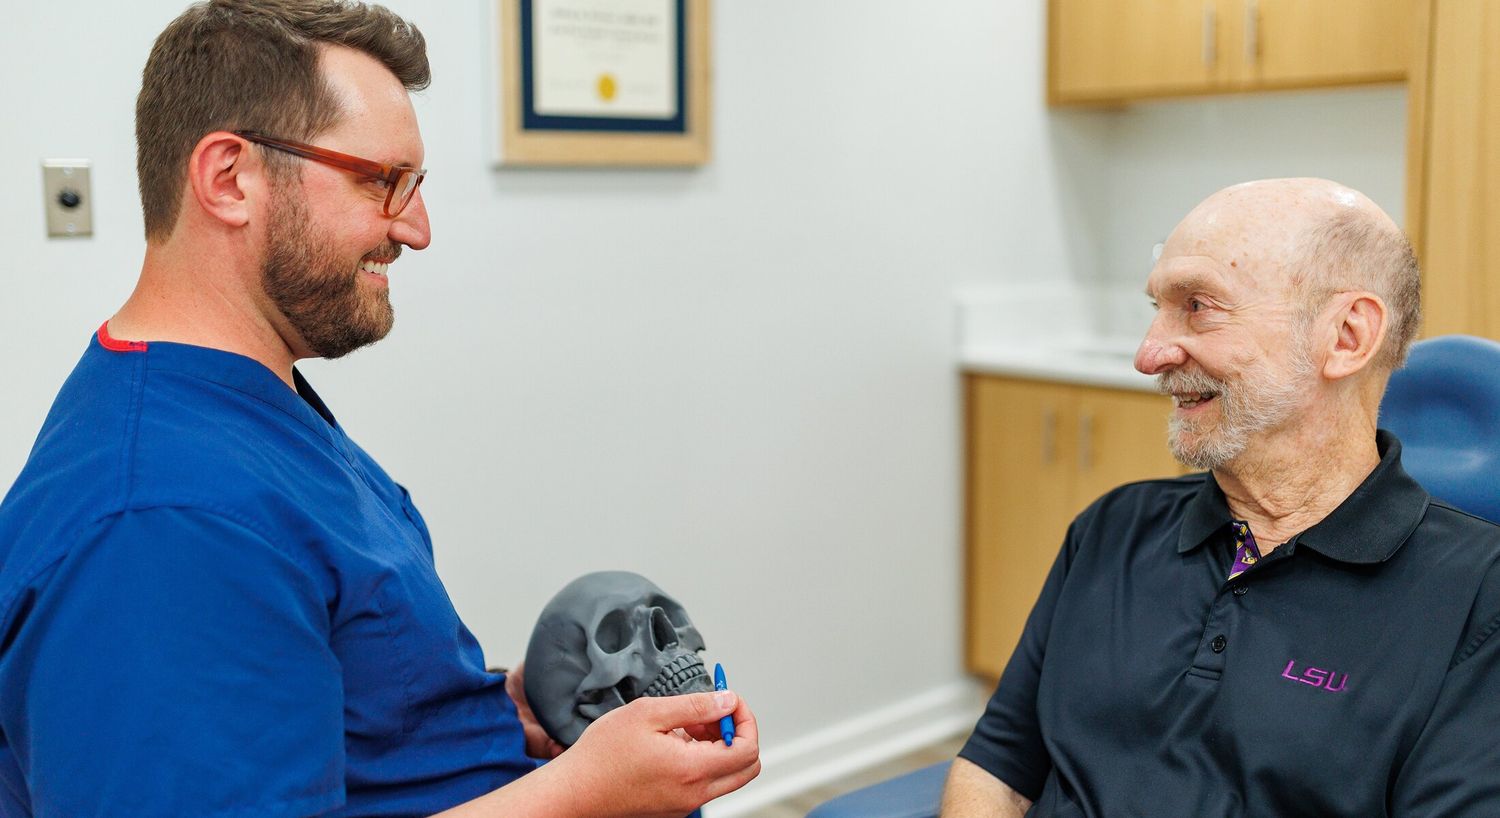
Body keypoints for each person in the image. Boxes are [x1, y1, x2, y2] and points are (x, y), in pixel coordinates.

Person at [0, 1, 759, 816]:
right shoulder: (161, 522)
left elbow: (320, 669)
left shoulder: (243, 402)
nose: (418, 229)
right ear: (229, 179)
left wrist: (488, 712)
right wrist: (584, 793)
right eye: (381, 180)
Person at [941, 178, 1500, 816]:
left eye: (1199, 305)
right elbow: (996, 770)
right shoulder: (1112, 526)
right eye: (1156, 307)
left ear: (1346, 336)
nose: (1149, 355)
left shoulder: (1478, 600)